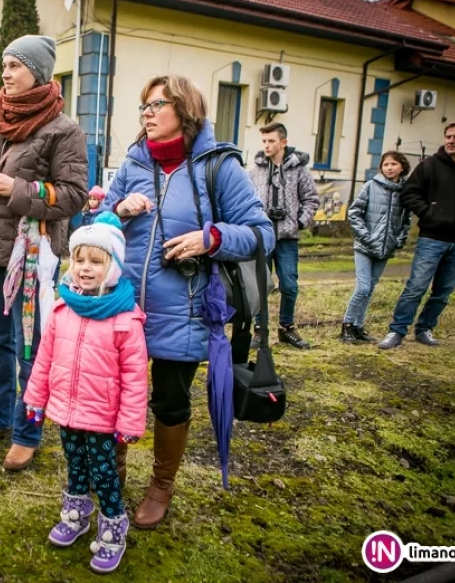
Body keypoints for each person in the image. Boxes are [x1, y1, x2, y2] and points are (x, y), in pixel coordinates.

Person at [101, 74, 273, 529]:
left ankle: (161, 486)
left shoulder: (219, 166)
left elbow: (262, 233)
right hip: (123, 308)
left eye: (157, 104)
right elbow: (98, 220)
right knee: (116, 395)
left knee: (170, 402)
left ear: (184, 109)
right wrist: (115, 213)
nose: (147, 113)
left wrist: (210, 238)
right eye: (144, 106)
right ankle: (113, 472)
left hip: (187, 311)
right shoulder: (134, 163)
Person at [0, 34, 89, 471]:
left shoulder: (63, 130)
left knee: (29, 346)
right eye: (4, 66)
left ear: (38, 71)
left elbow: (73, 195)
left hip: (31, 258)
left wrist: (18, 189)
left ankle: (28, 431)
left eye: (14, 65)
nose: (6, 74)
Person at [24, 212, 148, 573]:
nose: (85, 268)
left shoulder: (125, 319)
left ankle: (112, 528)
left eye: (96, 261)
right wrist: (35, 399)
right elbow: (45, 359)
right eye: (79, 259)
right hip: (65, 409)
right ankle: (76, 513)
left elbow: (135, 378)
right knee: (75, 464)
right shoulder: (63, 309)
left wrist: (130, 421)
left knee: (104, 470)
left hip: (102, 416)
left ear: (114, 267)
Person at [379, 121, 455, 349]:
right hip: (432, 239)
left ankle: (425, 329)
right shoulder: (429, 166)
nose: (451, 141)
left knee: (443, 291)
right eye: (448, 137)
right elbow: (409, 193)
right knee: (416, 287)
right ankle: (397, 331)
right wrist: (429, 213)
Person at [248, 123, 319, 349]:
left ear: (283, 142)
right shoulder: (256, 170)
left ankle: (287, 328)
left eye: (271, 141)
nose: (267, 145)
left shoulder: (299, 170)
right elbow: (247, 200)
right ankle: (260, 331)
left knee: (289, 285)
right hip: (263, 237)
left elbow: (311, 199)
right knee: (260, 285)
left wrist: (298, 222)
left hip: (288, 238)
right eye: (264, 141)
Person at [341, 152, 412, 343]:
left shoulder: (405, 192)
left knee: (370, 289)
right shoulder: (371, 186)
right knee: (362, 287)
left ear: (402, 167)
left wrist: (399, 240)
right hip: (364, 247)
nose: (389, 167)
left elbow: (406, 220)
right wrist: (366, 236)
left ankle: (358, 326)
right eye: (386, 164)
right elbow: (354, 213)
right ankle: (347, 325)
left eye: (393, 164)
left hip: (385, 248)